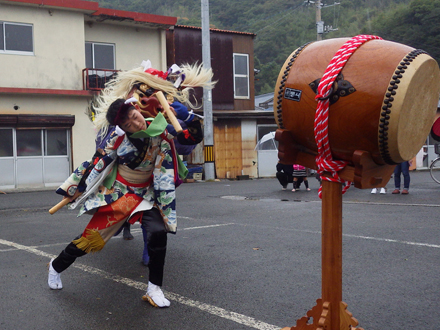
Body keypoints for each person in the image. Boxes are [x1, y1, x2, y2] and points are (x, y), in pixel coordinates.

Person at [47, 61, 215, 308]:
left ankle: (154, 288)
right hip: (121, 194)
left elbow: (190, 138)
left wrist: (188, 117)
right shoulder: (118, 140)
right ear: (122, 127)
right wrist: (75, 188)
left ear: (137, 110)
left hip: (148, 194)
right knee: (89, 240)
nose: (135, 123)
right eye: (127, 124)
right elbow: (95, 163)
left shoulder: (160, 128)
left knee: (158, 232)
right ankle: (55, 266)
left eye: (134, 116)